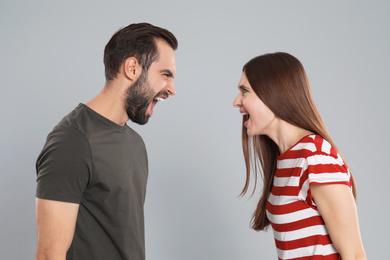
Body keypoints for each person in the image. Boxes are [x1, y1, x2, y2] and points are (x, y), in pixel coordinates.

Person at [35, 23, 177, 260]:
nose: (172, 89)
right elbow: (50, 255)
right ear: (132, 68)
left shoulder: (136, 144)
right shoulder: (72, 141)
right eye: (165, 75)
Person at [233, 52, 366, 260]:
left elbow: (355, 255)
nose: (236, 102)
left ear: (272, 93)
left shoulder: (316, 157)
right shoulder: (285, 158)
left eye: (244, 91)